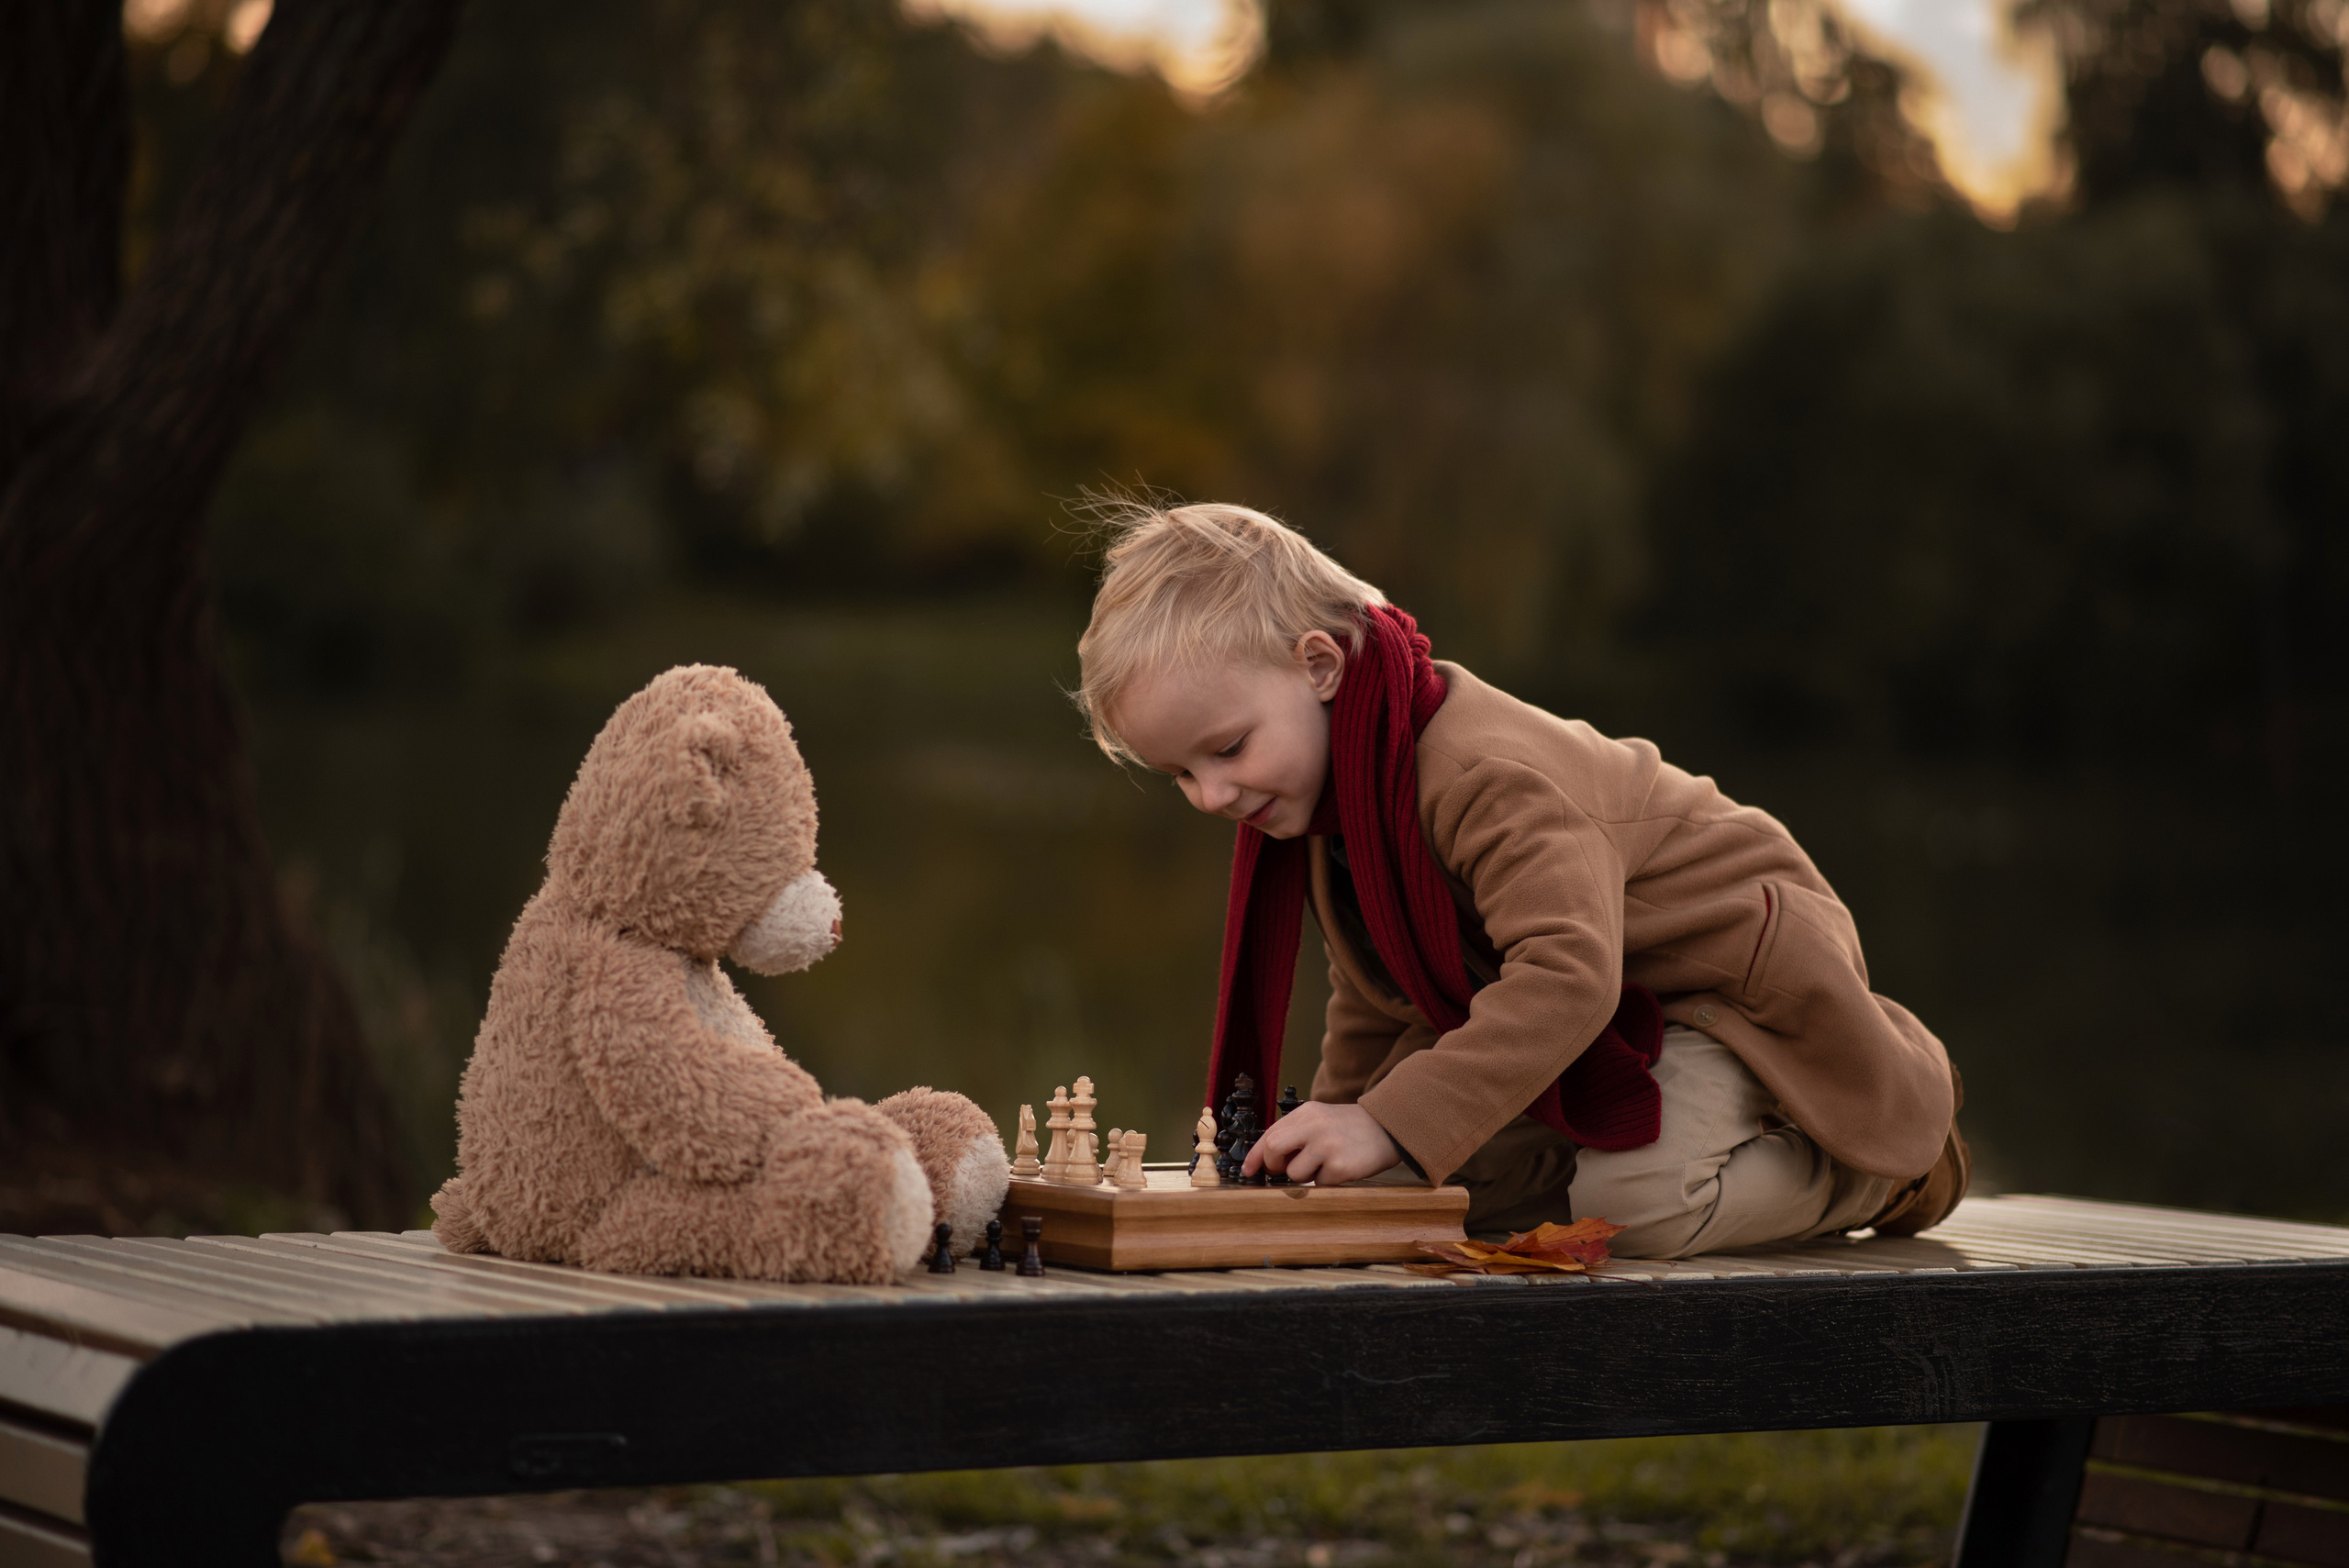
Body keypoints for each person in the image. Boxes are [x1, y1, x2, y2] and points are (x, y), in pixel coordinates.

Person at [1074, 501, 1968, 1257]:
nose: (1210, 795)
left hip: (1721, 990)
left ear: (1319, 665)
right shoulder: (1337, 791)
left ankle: (1875, 1160)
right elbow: (1377, 997)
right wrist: (1334, 1135)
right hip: (1595, 1008)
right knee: (1408, 1189)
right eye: (1181, 774)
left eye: (1226, 749)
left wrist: (1387, 1119)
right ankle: (1568, 1155)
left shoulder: (1485, 775)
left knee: (1636, 1205)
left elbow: (1568, 973)